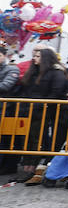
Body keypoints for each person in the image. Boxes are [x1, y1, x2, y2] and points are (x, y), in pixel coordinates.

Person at [19, 48, 68, 182]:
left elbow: (56, 93)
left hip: (44, 110)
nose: (34, 58)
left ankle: (33, 168)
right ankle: (26, 166)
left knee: (37, 139)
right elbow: (26, 89)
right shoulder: (33, 71)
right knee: (27, 138)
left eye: (38, 56)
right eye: (34, 55)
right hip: (29, 109)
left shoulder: (56, 73)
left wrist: (39, 104)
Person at [0, 43, 23, 174]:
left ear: (5, 56)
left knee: (3, 139)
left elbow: (5, 86)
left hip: (4, 109)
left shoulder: (11, 69)